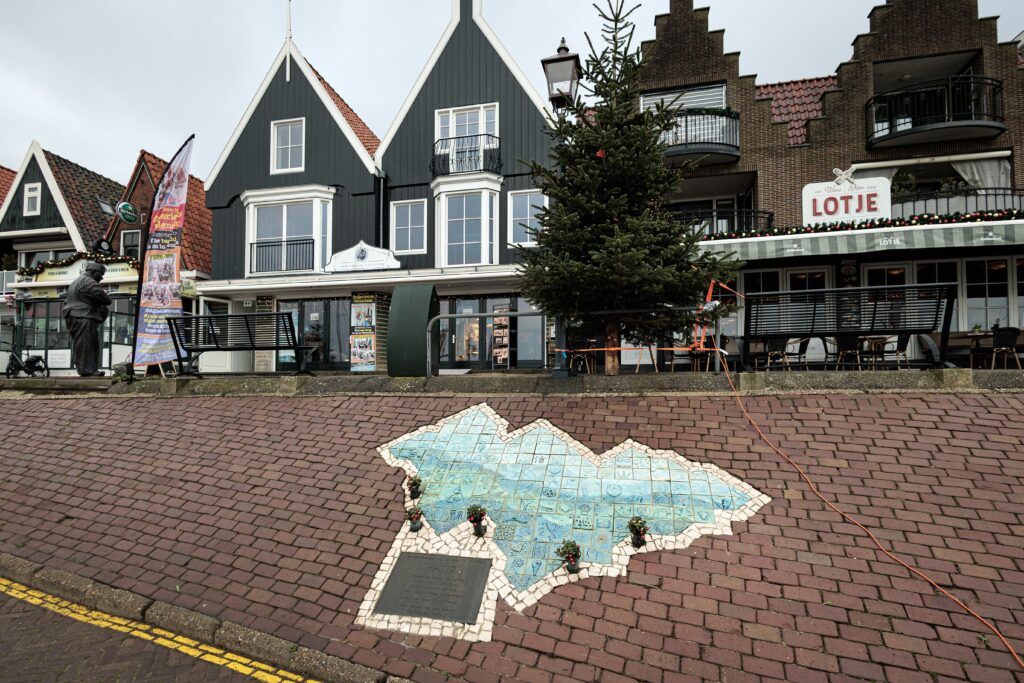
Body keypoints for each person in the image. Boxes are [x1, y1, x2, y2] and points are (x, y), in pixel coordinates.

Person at [62, 263, 111, 377]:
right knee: (86, 342)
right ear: (94, 272)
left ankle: (85, 368)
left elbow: (66, 300)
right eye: (101, 274)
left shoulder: (76, 281)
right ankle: (88, 370)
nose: (101, 277)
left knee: (81, 342)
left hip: (74, 315)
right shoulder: (89, 281)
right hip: (82, 315)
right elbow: (105, 299)